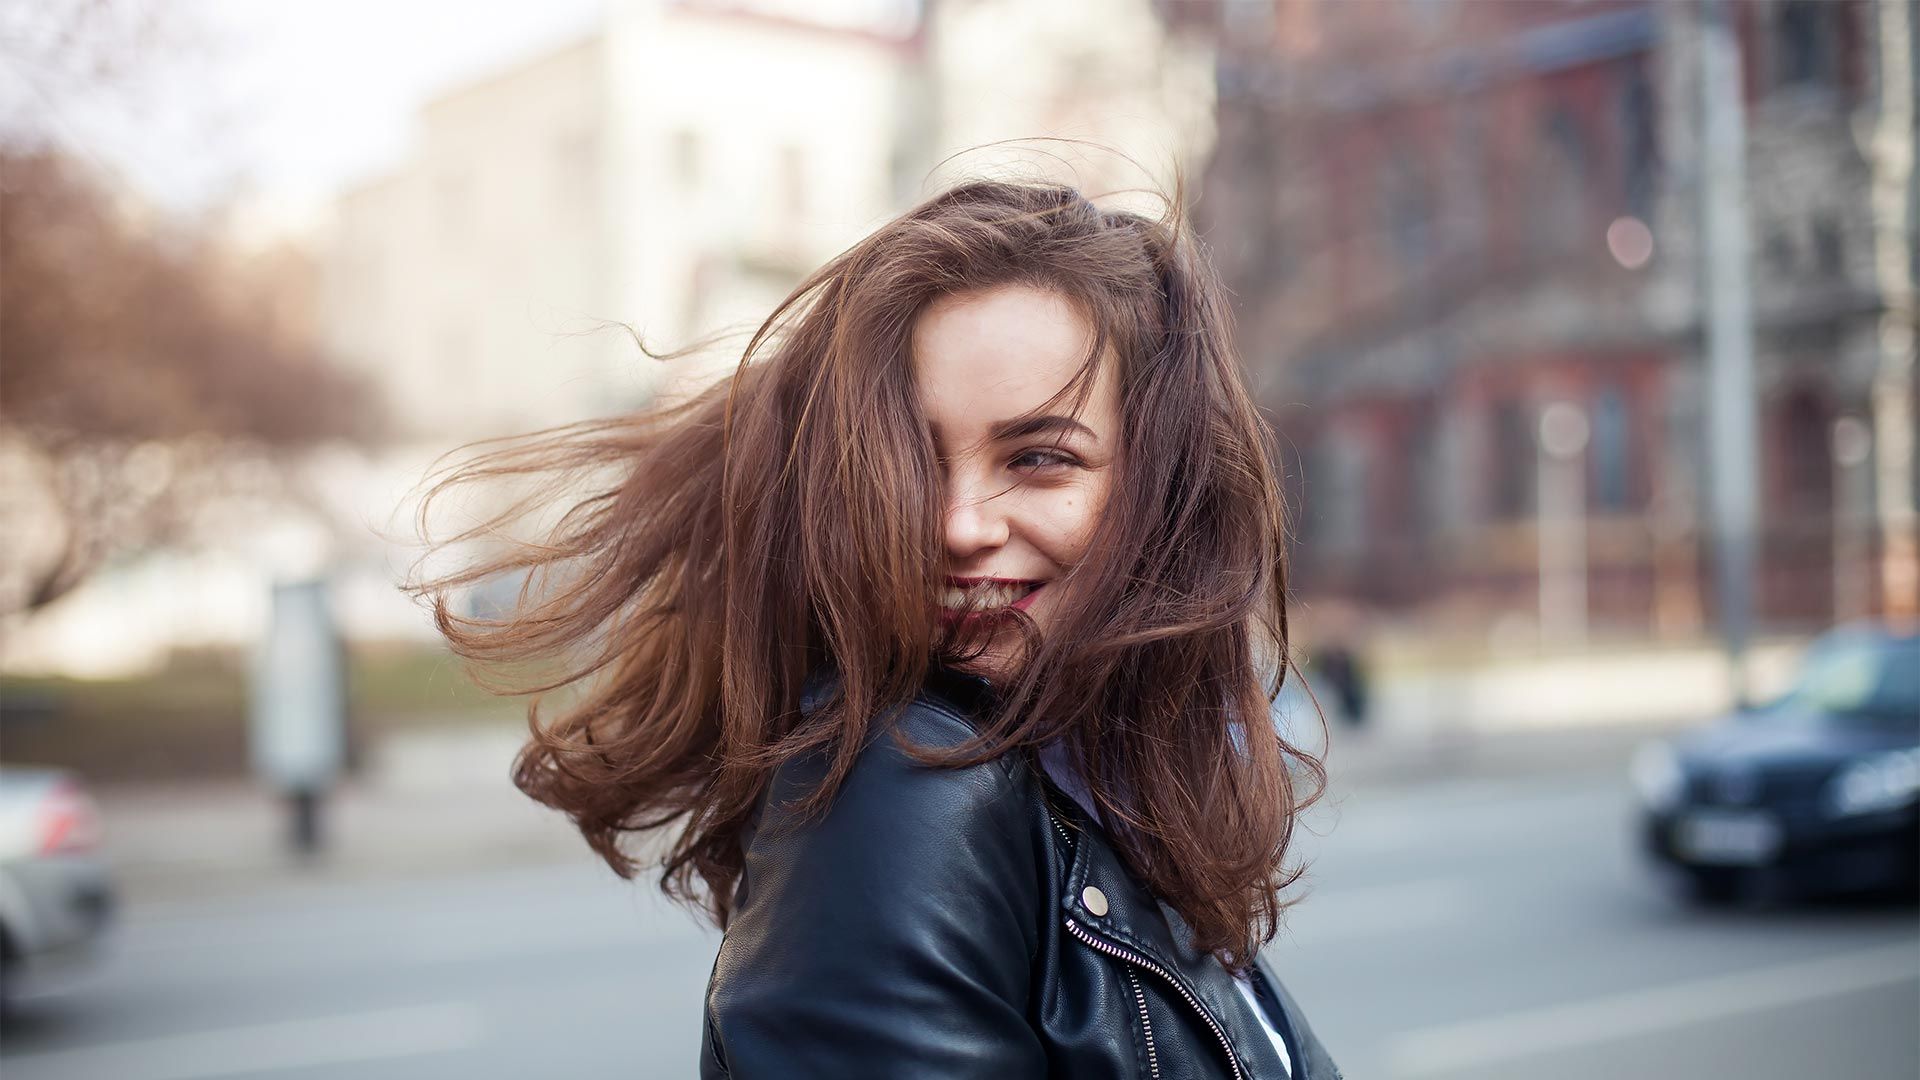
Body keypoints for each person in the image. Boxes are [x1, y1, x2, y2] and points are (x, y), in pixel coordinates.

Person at [416, 179, 1340, 1078]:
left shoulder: (1092, 784)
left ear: (1161, 491)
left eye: (1040, 458)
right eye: (914, 459)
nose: (958, 524)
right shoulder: (905, 788)